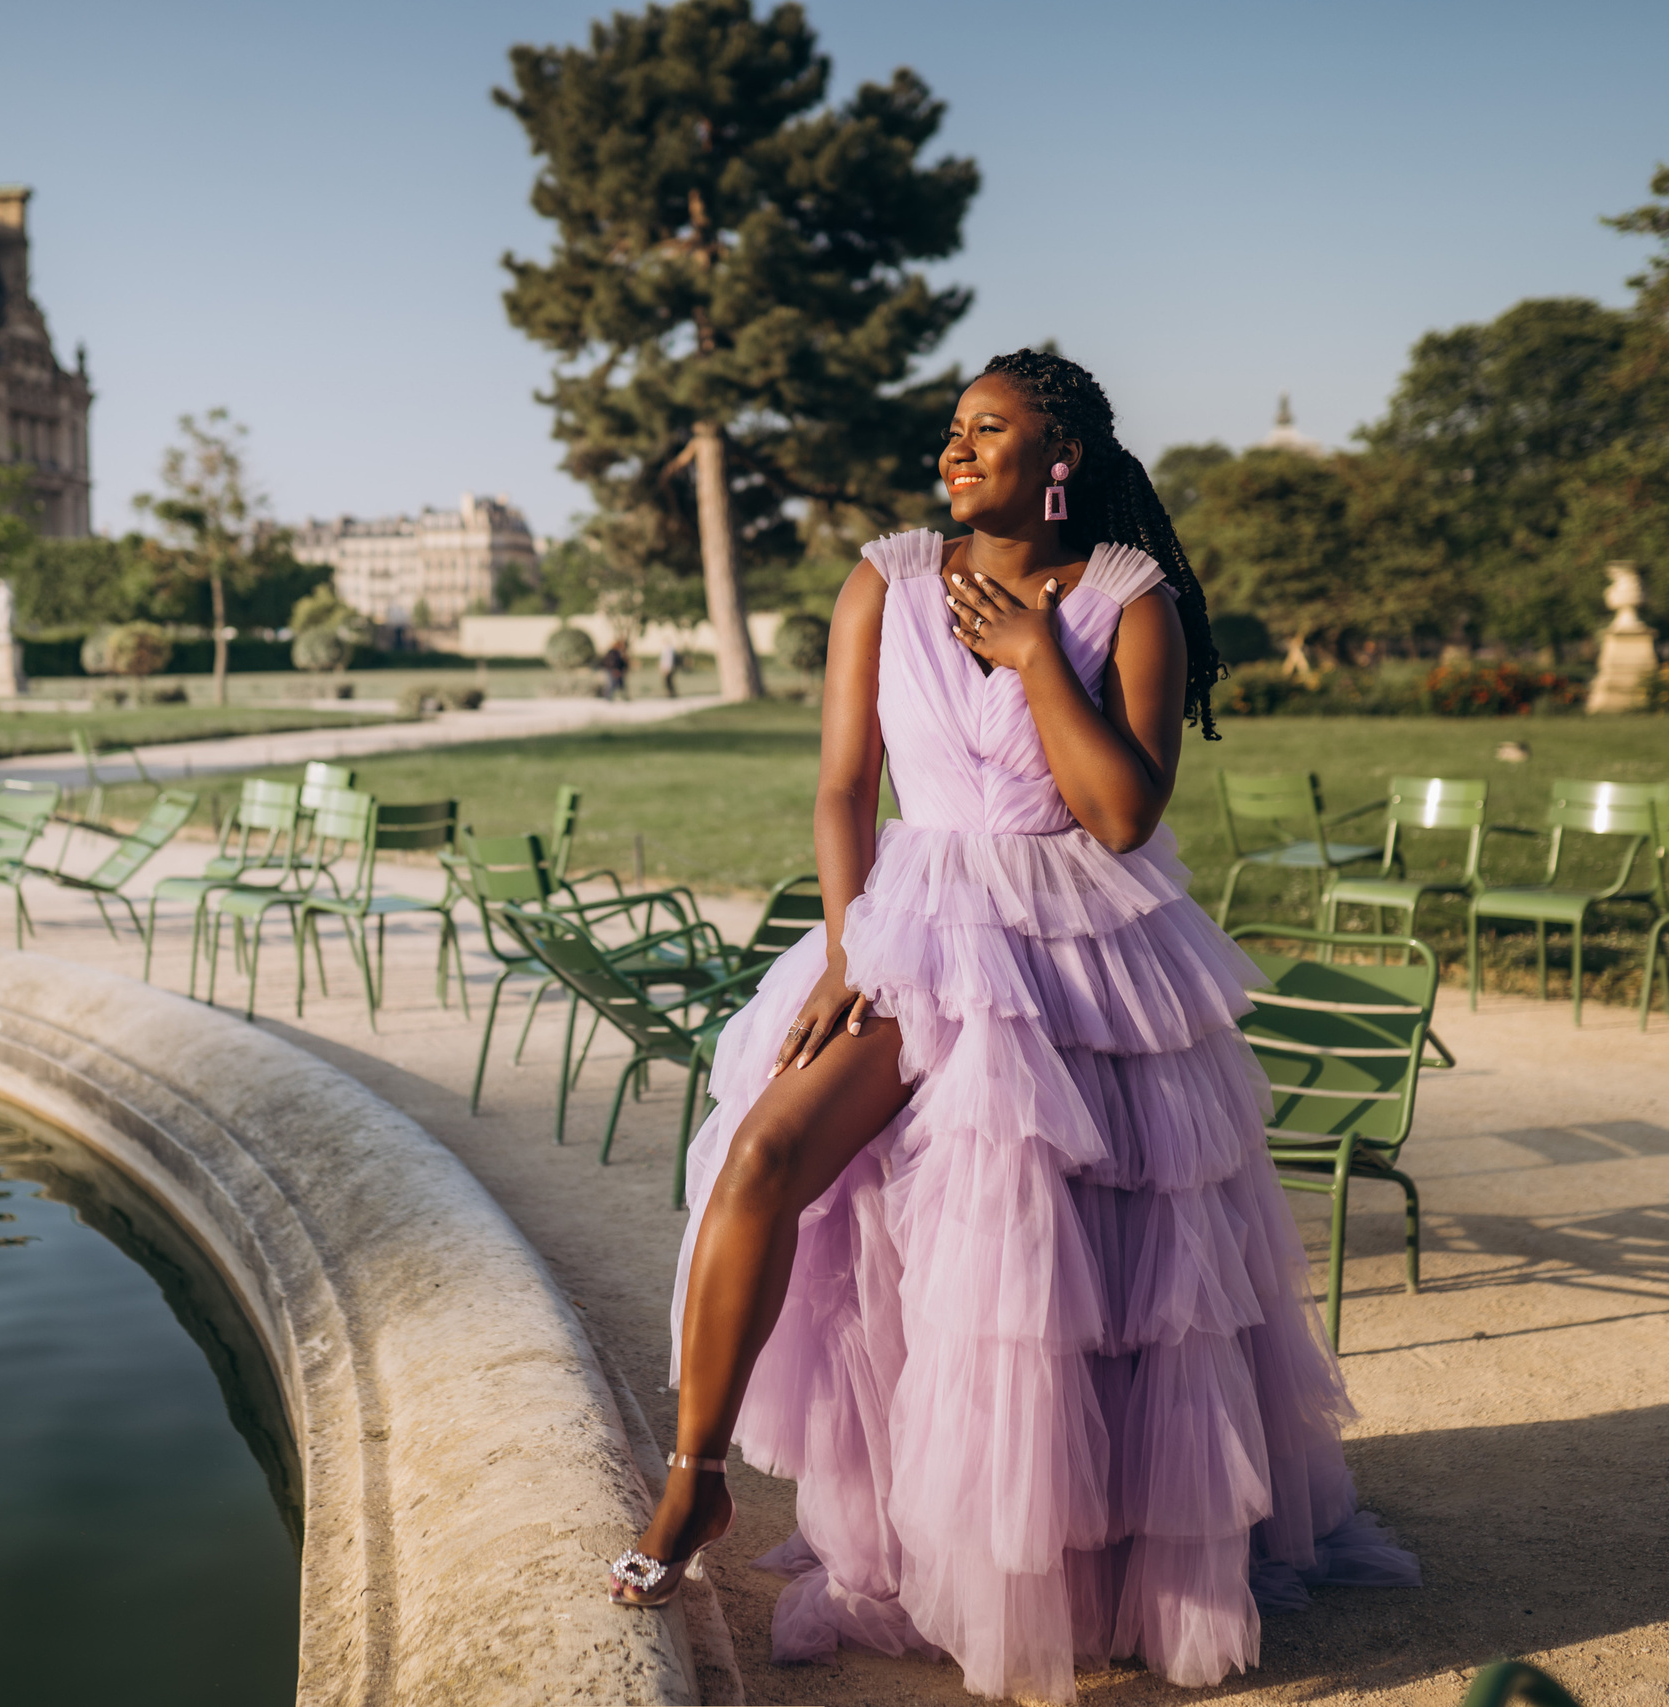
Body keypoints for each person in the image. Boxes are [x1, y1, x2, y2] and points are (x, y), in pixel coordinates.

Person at [605, 349, 1418, 1701]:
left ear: (1061, 460)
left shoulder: (1125, 604)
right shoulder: (889, 579)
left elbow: (1120, 813)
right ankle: (694, 1483)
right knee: (761, 1161)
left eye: (989, 428)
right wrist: (844, 949)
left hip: (1077, 960)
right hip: (908, 936)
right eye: (952, 427)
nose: (956, 448)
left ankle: (1064, 1567)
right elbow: (841, 789)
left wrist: (1042, 657)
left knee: (1055, 1281)